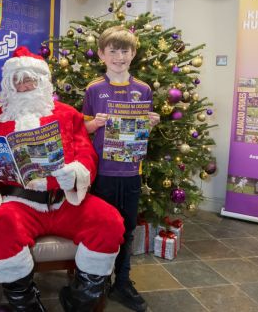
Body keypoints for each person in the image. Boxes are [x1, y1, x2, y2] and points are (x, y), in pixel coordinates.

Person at [0, 46, 125, 312]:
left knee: (109, 221)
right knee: (1, 229)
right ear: (9, 84)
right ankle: (28, 305)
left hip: (66, 201)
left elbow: (87, 154)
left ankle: (78, 299)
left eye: (31, 78)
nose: (25, 85)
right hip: (20, 204)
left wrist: (76, 171)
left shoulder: (67, 114)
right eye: (18, 80)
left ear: (43, 81)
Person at [82, 25, 160, 312]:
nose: (119, 56)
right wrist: (95, 123)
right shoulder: (94, 88)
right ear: (102, 54)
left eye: (124, 51)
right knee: (103, 228)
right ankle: (99, 281)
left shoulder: (143, 89)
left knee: (126, 229)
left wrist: (149, 124)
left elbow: (142, 135)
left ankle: (122, 282)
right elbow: (84, 128)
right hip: (103, 173)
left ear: (133, 54)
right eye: (112, 51)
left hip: (130, 173)